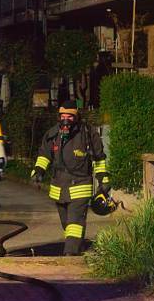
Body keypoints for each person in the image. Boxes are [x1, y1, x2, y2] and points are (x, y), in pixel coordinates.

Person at [31, 100, 110, 256]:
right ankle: (77, 247)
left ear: (76, 117)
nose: (66, 120)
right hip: (59, 187)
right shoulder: (53, 134)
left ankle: (70, 255)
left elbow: (99, 158)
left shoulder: (87, 133)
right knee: (67, 223)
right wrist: (38, 171)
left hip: (80, 184)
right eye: (63, 116)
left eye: (70, 116)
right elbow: (44, 155)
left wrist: (103, 179)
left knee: (75, 222)